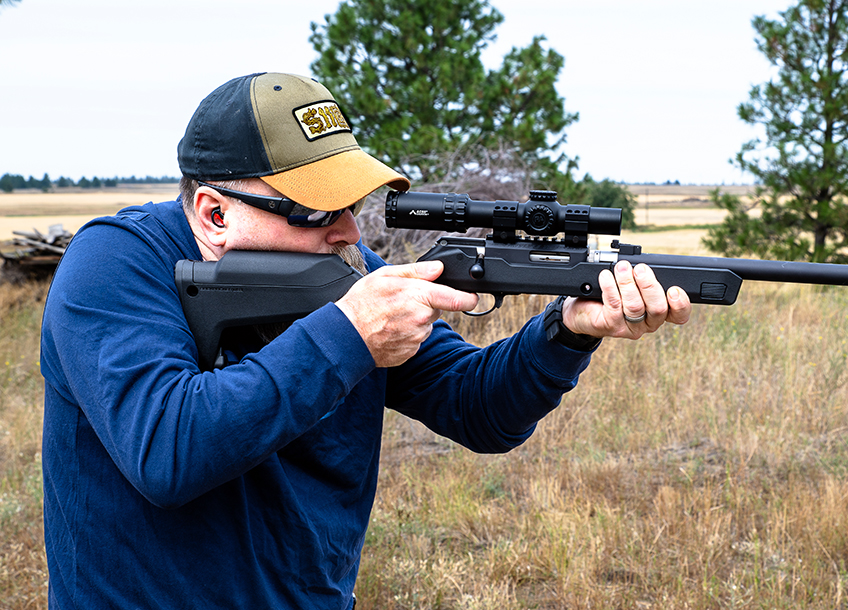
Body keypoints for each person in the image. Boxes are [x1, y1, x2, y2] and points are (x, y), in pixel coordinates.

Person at [40, 72, 690, 609]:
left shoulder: (350, 276)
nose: (351, 230)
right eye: (319, 212)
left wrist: (566, 330)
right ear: (215, 212)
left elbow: (478, 408)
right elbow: (167, 450)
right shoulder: (114, 266)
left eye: (353, 202)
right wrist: (348, 336)